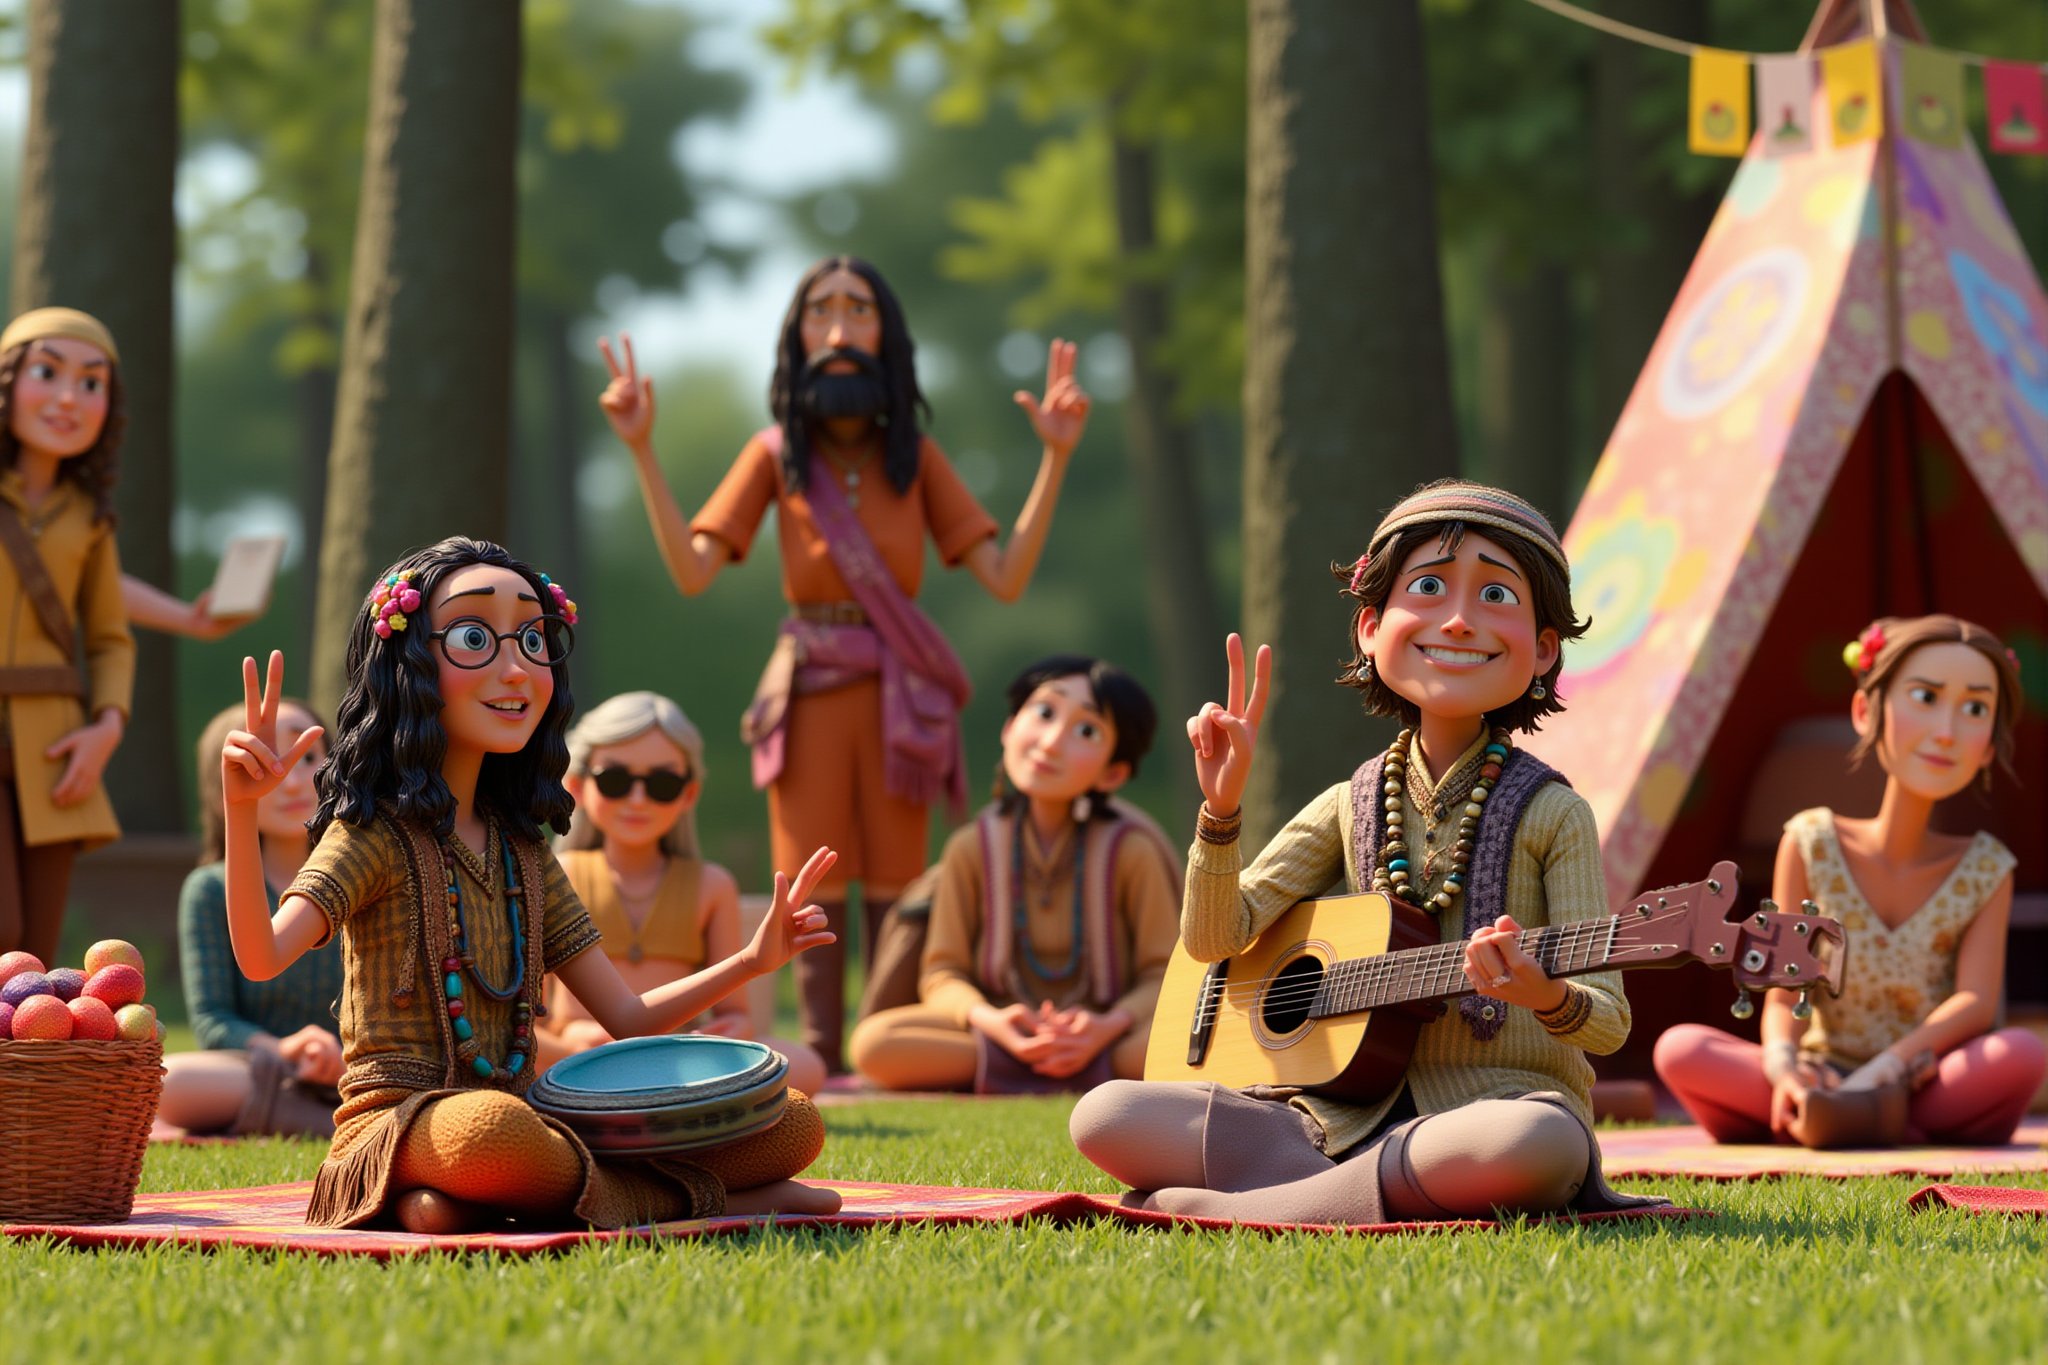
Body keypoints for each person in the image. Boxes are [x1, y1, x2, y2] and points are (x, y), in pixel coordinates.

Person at [1070, 480, 1662, 1224]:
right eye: (1428, 587)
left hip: (1489, 1112)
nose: (1457, 618)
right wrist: (1220, 810)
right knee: (1105, 1113)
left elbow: (1607, 1020)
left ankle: (1272, 1202)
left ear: (1545, 649)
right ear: (1371, 627)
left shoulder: (1554, 813)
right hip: (1331, 1116)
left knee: (1541, 1142)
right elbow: (1214, 938)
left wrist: (1541, 992)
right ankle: (1332, 1191)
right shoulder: (1350, 803)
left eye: (1497, 597)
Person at [217, 537, 841, 1232]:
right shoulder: (372, 833)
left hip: (534, 1113)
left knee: (789, 1120)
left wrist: (750, 964)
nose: (516, 669)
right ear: (409, 663)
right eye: (476, 637)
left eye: (534, 639)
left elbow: (627, 1018)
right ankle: (689, 1200)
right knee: (491, 1132)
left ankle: (472, 1200)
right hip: (400, 1122)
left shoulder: (526, 850)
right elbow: (262, 954)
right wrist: (241, 814)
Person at [595, 255, 1091, 1070]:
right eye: (819, 312)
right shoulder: (773, 455)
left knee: (900, 871)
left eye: (857, 310)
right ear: (796, 340)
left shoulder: (917, 458)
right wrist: (643, 448)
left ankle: (883, 1043)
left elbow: (1003, 577)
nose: (838, 329)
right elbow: (692, 569)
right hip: (810, 687)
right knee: (809, 870)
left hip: (905, 696)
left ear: (885, 336)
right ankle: (823, 1046)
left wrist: (1055, 457)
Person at [1655, 615, 2047, 1147]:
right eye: (1926, 697)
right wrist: (1784, 1066)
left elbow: (1976, 1003)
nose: (1947, 731)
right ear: (1866, 710)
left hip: (1919, 1079)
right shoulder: (1811, 842)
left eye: (1975, 709)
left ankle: (1838, 1121)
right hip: (1822, 1069)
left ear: (1987, 746)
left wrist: (1892, 1066)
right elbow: (1781, 987)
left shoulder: (1986, 868)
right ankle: (1853, 1117)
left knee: (2020, 1055)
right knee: (1681, 1050)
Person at [850, 655, 1180, 1092]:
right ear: (1009, 729)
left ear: (1113, 772)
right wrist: (992, 1021)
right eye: (1044, 713)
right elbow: (942, 973)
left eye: (1086, 731)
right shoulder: (971, 848)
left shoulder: (1131, 853)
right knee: (875, 1043)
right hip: (996, 1034)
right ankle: (1038, 1066)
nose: (1051, 742)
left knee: (1171, 1048)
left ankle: (1064, 1065)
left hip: (1107, 1037)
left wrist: (1105, 1026)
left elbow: (1164, 975)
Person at [535, 690, 827, 1096]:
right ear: (579, 787)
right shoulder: (556, 875)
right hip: (577, 1057)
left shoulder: (712, 886)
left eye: (663, 784)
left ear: (688, 794)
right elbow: (528, 1020)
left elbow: (735, 1015)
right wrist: (567, 1044)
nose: (638, 800)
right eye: (615, 781)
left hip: (674, 1055)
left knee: (804, 1065)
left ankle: (659, 1091)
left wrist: (728, 1032)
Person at [0, 308, 136, 964]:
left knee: (35, 946)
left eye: (90, 383)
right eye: (46, 372)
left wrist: (107, 724)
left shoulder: (89, 519)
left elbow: (110, 635)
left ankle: (22, 1071)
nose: (66, 398)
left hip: (54, 745)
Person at [163, 698, 344, 1137]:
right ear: (222, 785)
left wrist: (341, 1056)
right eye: (266, 764)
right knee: (165, 1082)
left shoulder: (362, 872)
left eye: (308, 758)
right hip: (261, 1068)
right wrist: (285, 1049)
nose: (293, 780)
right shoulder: (209, 890)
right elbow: (212, 1021)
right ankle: (321, 1120)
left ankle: (308, 1117)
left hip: (357, 1069)